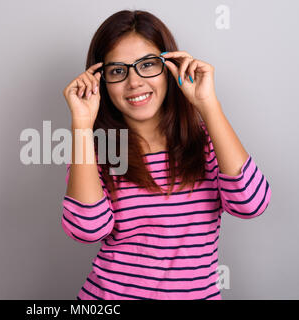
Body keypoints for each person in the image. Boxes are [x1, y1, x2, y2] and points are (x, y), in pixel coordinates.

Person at [61, 9, 271, 300]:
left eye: (147, 65)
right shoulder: (98, 150)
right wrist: (82, 125)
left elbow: (252, 204)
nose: (134, 82)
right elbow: (87, 230)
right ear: (101, 82)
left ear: (170, 67)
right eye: (118, 70)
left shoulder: (207, 142)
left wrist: (207, 104)